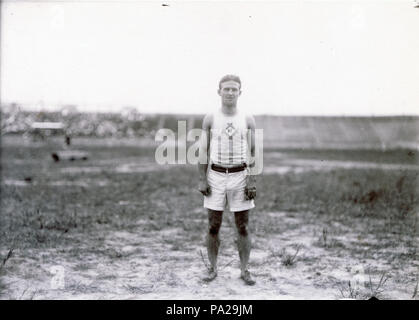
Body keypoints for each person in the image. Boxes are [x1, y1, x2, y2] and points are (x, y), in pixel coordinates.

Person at [198, 74, 258, 285]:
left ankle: (245, 270)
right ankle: (212, 268)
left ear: (240, 92)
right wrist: (202, 178)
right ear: (219, 91)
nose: (230, 93)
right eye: (226, 89)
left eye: (234, 89)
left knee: (243, 226)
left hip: (240, 176)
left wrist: (251, 180)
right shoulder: (210, 118)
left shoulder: (247, 119)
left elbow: (253, 152)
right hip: (215, 176)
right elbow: (203, 151)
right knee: (213, 226)